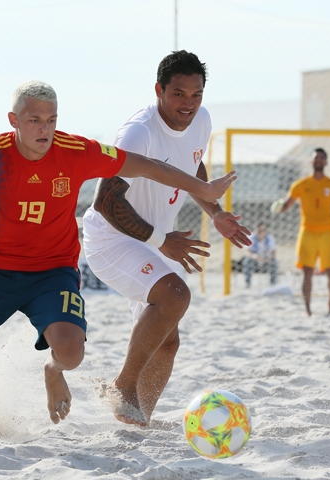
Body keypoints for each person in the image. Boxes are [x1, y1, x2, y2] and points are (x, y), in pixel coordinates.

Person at [0, 80, 238, 438]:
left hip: (52, 273)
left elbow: (146, 166)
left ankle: (52, 371)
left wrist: (204, 192)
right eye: (35, 120)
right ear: (14, 120)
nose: (45, 129)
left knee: (71, 354)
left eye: (51, 120)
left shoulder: (75, 150)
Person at [82, 51, 251, 427]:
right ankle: (122, 387)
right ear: (159, 90)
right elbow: (106, 201)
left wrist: (215, 210)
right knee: (175, 296)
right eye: (178, 94)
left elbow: (193, 163)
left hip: (158, 239)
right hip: (112, 238)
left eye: (196, 95)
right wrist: (161, 240)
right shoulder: (138, 132)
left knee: (169, 342)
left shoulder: (201, 119)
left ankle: (136, 418)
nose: (188, 104)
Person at [271, 147, 330, 316]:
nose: (318, 160)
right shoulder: (300, 185)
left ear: (326, 162)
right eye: (315, 157)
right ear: (311, 161)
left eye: (321, 158)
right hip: (307, 232)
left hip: (328, 232)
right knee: (307, 272)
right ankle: (307, 309)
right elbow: (286, 206)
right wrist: (278, 207)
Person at [243, 222, 278, 288]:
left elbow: (273, 253)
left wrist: (267, 259)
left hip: (266, 261)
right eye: (259, 230)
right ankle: (247, 284)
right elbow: (247, 252)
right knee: (247, 261)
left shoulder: (270, 238)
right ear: (256, 230)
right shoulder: (251, 238)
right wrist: (255, 256)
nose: (261, 232)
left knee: (275, 263)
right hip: (255, 261)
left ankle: (273, 284)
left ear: (266, 231)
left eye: (263, 230)